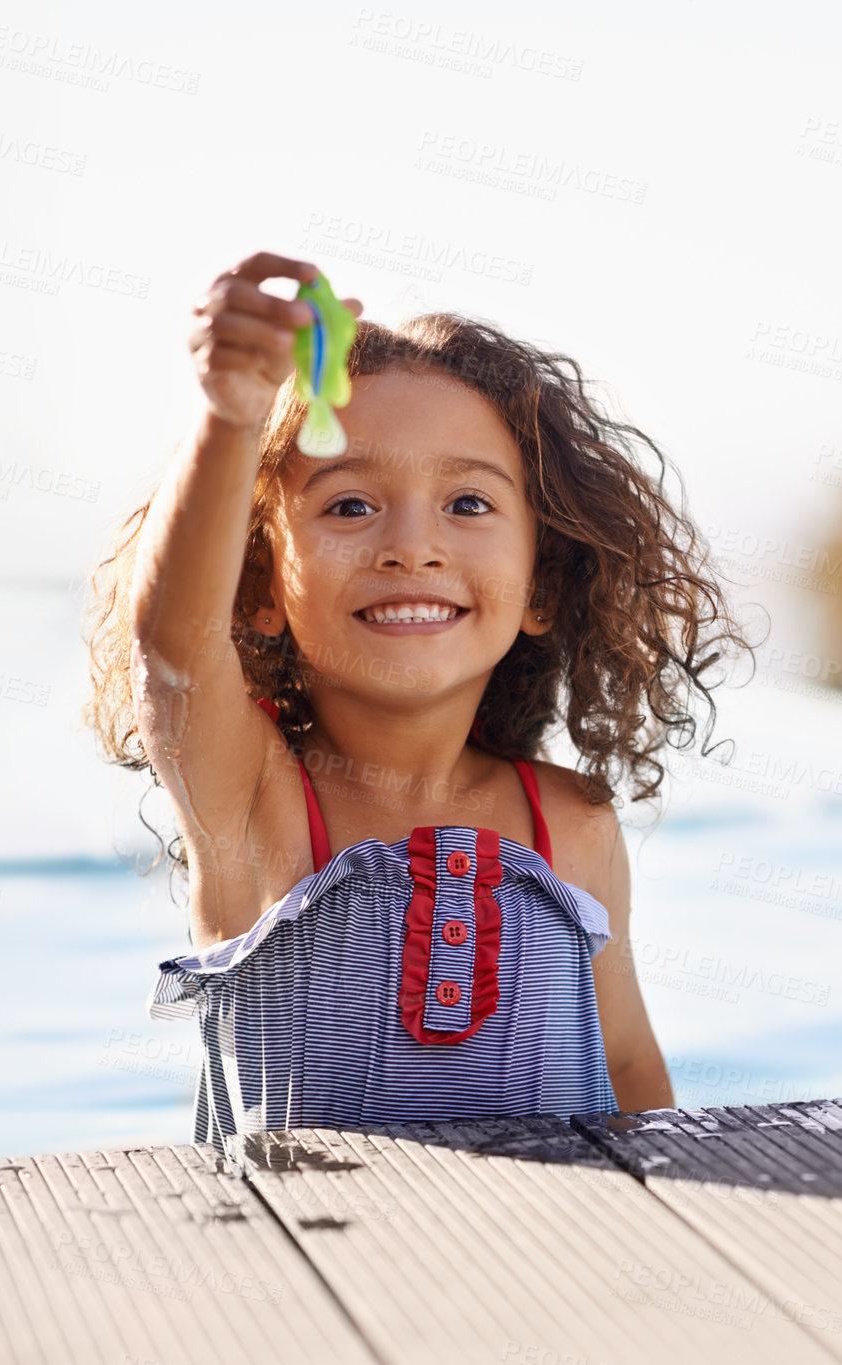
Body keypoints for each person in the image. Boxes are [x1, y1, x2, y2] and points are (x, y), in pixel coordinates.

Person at [83, 250, 755, 1152]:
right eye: (351, 506)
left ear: (541, 585)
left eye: (468, 503)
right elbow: (171, 654)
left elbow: (630, 1067)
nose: (413, 546)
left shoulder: (574, 825)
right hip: (312, 1274)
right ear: (259, 591)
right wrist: (230, 416)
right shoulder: (254, 803)